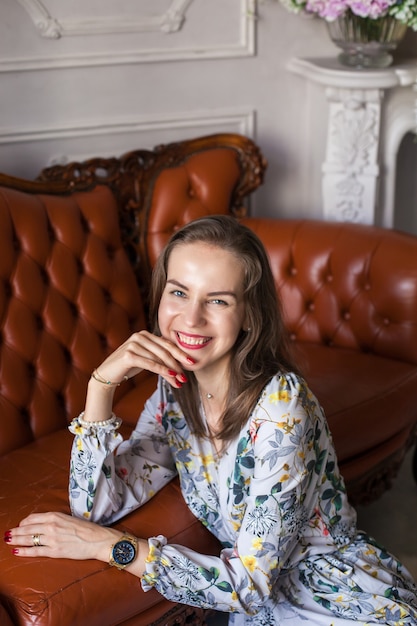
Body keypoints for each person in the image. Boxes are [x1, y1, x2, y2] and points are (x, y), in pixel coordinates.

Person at [5, 215, 417, 625]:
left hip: (342, 604)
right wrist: (101, 387)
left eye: (218, 300)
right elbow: (94, 505)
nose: (191, 318)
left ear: (250, 316)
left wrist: (112, 547)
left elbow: (249, 588)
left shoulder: (281, 409)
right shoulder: (174, 391)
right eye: (179, 292)